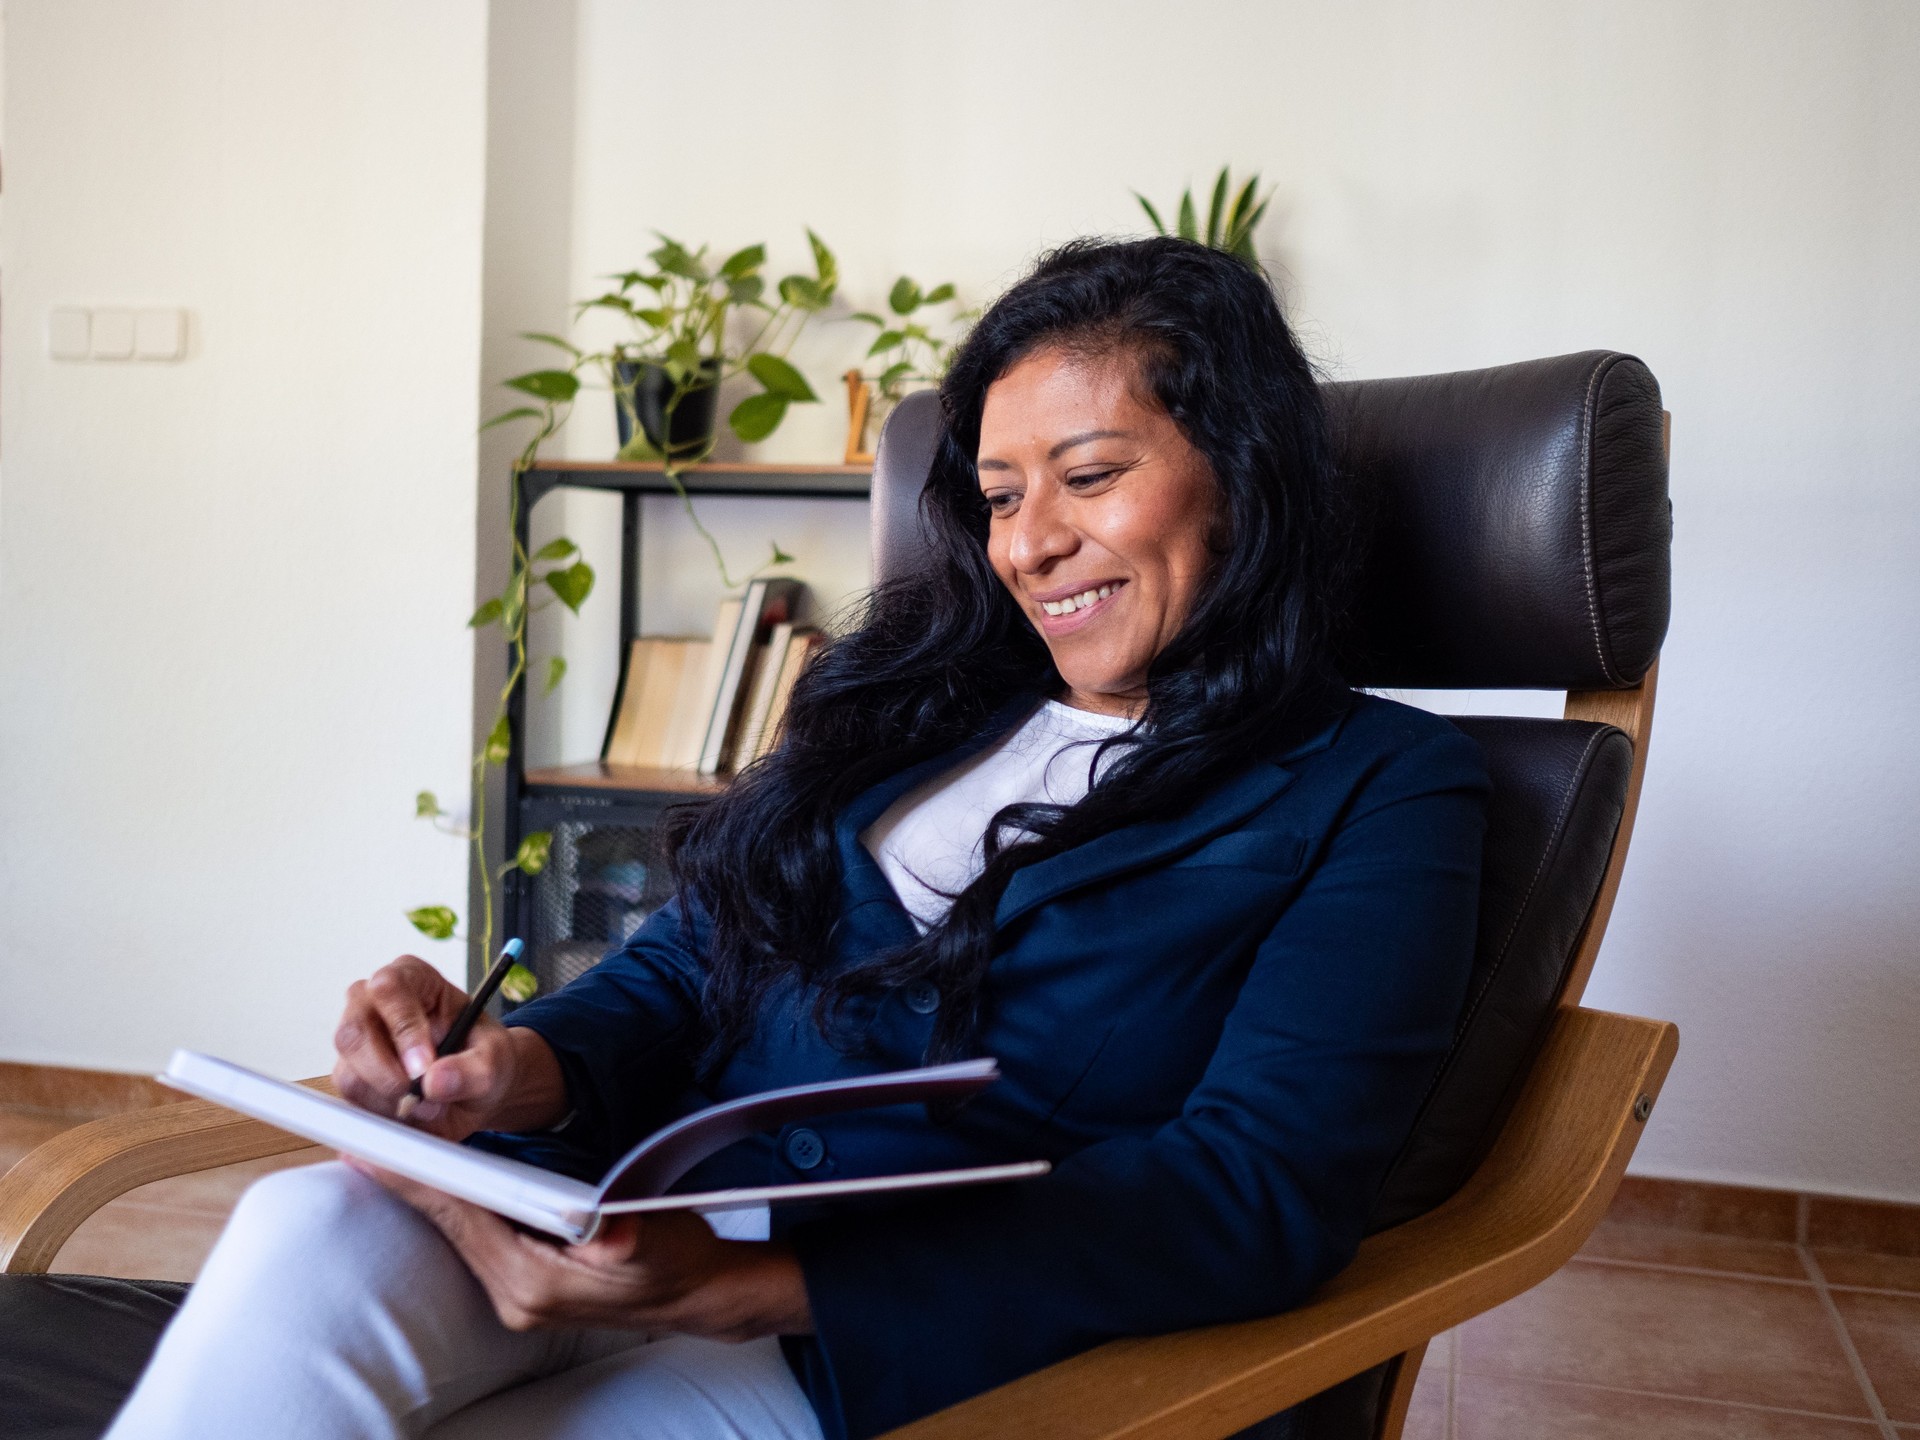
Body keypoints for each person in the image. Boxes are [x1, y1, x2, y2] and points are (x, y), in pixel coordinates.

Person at [106, 236, 1488, 1440]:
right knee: (303, 1230)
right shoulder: (920, 709)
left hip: (892, 1339)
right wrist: (510, 1069)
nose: (1032, 544)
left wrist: (756, 1287)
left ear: (1240, 479)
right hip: (636, 1215)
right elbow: (692, 969)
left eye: (1090, 475)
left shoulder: (1379, 785)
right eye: (1003, 497)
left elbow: (1251, 1192)